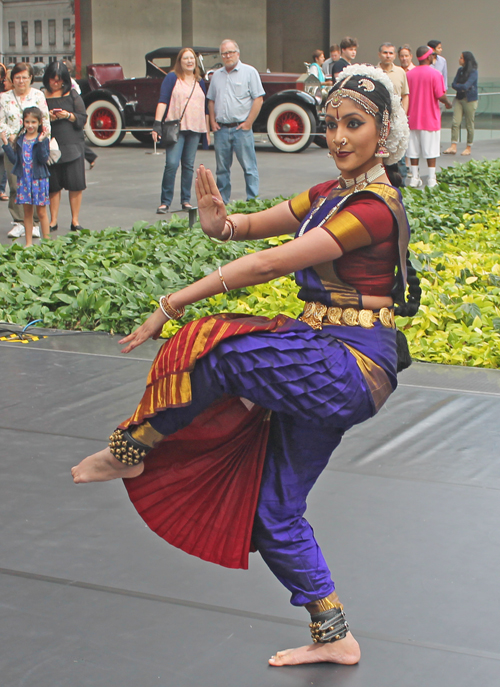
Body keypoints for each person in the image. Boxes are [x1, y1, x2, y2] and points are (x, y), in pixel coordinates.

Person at [71, 64, 419, 668]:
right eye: (332, 123)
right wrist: (221, 225)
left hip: (348, 366)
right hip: (324, 361)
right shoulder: (329, 194)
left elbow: (269, 263)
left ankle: (131, 448)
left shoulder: (375, 208)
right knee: (275, 514)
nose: (338, 136)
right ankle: (333, 632)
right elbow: (255, 229)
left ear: (383, 131)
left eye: (354, 124)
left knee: (218, 348)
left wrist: (173, 302)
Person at [207, 39, 265, 204]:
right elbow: (211, 100)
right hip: (221, 130)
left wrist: (248, 123)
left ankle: (253, 201)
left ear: (237, 54)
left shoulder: (249, 72)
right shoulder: (216, 75)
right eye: (224, 53)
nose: (227, 56)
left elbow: (258, 99)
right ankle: (222, 202)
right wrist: (212, 122)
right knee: (221, 170)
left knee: (249, 168)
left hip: (241, 129)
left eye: (230, 52)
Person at [152, 47, 209, 214]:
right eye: (186, 58)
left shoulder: (200, 81)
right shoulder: (172, 78)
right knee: (171, 164)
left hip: (195, 128)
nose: (189, 61)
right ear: (180, 61)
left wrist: (207, 131)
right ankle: (165, 201)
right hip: (176, 128)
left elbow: (205, 108)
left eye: (192, 58)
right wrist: (157, 123)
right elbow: (163, 100)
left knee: (189, 166)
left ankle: (186, 200)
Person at [0, 62, 50, 239]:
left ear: (31, 78)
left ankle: (36, 223)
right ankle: (19, 221)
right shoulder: (4, 97)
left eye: (24, 77)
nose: (21, 81)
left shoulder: (38, 95)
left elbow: (45, 120)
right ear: (12, 79)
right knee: (15, 184)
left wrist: (43, 139)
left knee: (35, 184)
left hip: (34, 146)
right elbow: (1, 120)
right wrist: (11, 136)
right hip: (14, 145)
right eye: (17, 77)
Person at [42, 61, 87, 232]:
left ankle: (75, 220)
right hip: (52, 144)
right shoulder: (42, 95)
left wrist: (68, 115)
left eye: (59, 80)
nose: (56, 83)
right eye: (53, 80)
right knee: (53, 185)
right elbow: (35, 116)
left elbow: (82, 117)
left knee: (75, 184)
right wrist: (49, 118)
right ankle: (53, 220)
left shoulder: (73, 95)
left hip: (73, 143)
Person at [406, 46, 452, 188]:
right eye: (432, 55)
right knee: (431, 150)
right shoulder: (435, 74)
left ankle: (415, 177)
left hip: (412, 118)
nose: (434, 57)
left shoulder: (409, 74)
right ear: (427, 57)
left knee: (412, 150)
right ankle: (431, 178)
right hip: (430, 118)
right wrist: (448, 102)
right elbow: (439, 94)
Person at [444, 52, 479, 157]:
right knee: (455, 122)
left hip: (470, 100)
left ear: (466, 60)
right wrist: (461, 86)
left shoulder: (473, 72)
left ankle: (468, 146)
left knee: (469, 124)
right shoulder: (460, 71)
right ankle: (453, 145)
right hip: (460, 98)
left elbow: (466, 86)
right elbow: (454, 84)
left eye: (461, 58)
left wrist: (461, 86)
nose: (459, 59)